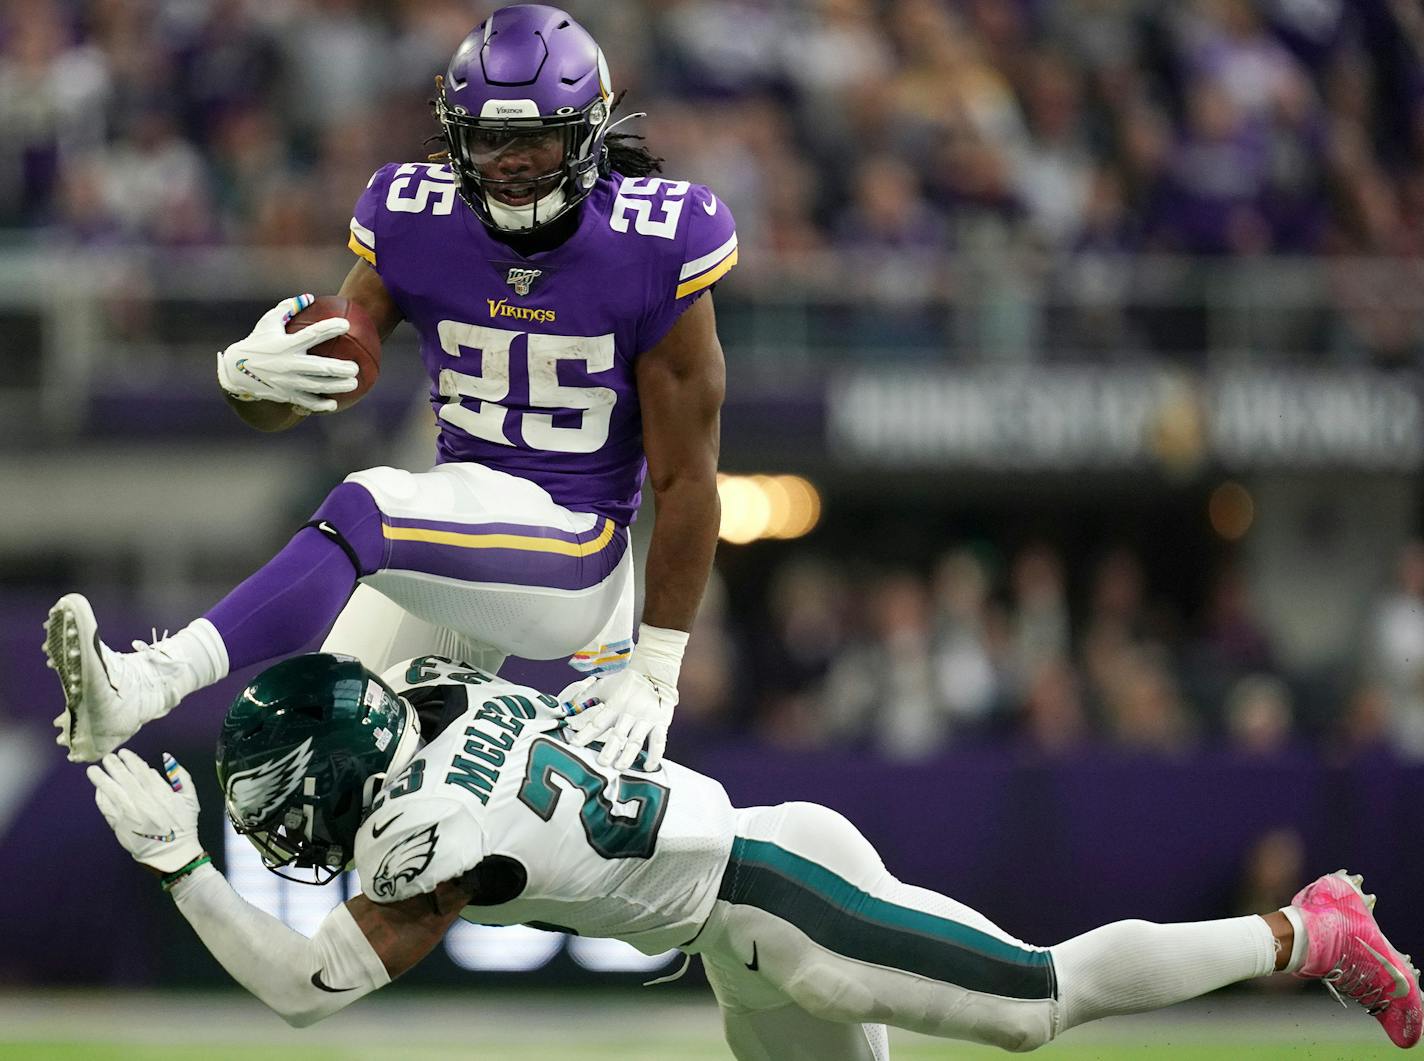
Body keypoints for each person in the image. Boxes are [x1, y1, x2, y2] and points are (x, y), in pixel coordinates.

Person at [87, 653, 1421, 1058]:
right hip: (740, 911)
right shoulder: (440, 695)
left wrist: (183, 873)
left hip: (776, 900)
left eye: (282, 800)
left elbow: (304, 985)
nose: (281, 828)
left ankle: (1310, 934)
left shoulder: (428, 832)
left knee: (1034, 999)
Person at [45, 3, 735, 773]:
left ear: (589, 131)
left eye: (534, 137)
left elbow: (688, 479)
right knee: (318, 753)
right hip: (459, 534)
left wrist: (659, 664)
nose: (508, 161)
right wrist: (247, 375)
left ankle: (146, 682)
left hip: (576, 550)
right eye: (489, 138)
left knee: (363, 507)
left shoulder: (655, 243)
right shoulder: (417, 214)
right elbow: (316, 385)